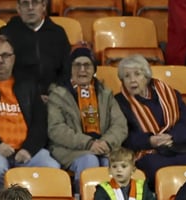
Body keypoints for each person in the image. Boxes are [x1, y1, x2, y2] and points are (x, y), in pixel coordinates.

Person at [114, 54, 186, 191]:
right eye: (127, 76)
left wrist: (171, 137)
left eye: (137, 74)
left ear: (147, 76)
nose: (132, 80)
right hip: (147, 153)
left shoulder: (170, 94)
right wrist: (150, 141)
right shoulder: (119, 102)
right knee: (155, 167)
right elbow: (124, 137)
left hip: (177, 147)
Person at [47, 45, 127, 191]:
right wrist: (88, 143)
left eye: (87, 65)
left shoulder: (105, 94)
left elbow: (120, 125)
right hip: (71, 149)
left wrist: (106, 142)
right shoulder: (58, 95)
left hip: (104, 147)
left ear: (94, 69)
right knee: (90, 160)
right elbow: (56, 129)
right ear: (70, 69)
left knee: (117, 162)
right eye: (77, 65)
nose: (82, 70)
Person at [0, 35, 60, 190]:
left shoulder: (27, 84)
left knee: (52, 167)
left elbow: (40, 123)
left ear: (13, 59)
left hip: (25, 151)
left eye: (5, 55)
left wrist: (28, 149)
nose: (0, 60)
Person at [0, 0, 71, 100]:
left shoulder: (58, 33)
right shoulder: (6, 33)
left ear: (44, 6)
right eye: (25, 3)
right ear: (18, 8)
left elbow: (66, 71)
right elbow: (1, 73)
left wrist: (54, 94)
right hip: (17, 99)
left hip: (53, 98)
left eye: (35, 2)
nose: (30, 7)